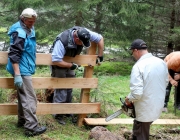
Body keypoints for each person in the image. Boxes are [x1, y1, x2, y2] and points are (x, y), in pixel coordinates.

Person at [50, 26, 104, 125]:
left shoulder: (85, 33)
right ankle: (58, 114)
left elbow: (100, 38)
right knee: (61, 88)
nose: (82, 45)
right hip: (58, 64)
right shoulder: (62, 41)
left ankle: (67, 111)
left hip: (70, 60)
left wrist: (100, 55)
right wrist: (71, 65)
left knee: (70, 86)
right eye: (81, 43)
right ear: (76, 39)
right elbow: (56, 60)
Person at [6, 8, 47, 136]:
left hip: (24, 67)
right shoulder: (20, 32)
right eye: (30, 21)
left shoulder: (26, 27)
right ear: (23, 19)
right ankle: (31, 128)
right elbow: (14, 54)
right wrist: (17, 74)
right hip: (21, 69)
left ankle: (22, 121)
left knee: (23, 96)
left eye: (34, 21)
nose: (32, 24)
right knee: (30, 98)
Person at [125, 39, 168, 140]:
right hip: (157, 105)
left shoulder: (139, 66)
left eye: (132, 52)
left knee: (139, 135)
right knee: (145, 129)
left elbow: (137, 94)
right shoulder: (161, 62)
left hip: (144, 108)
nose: (133, 55)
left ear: (136, 50)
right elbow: (165, 82)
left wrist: (129, 99)